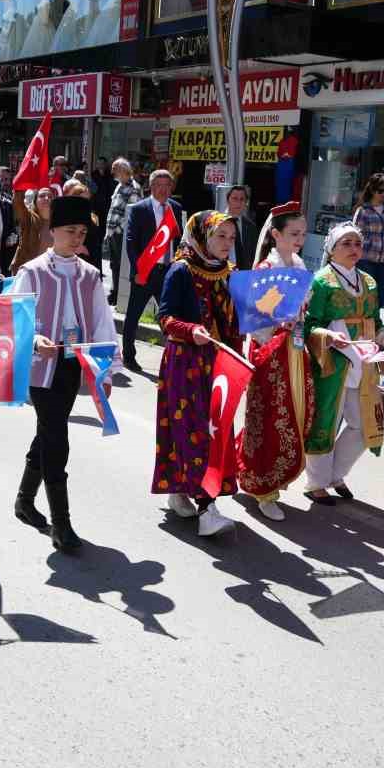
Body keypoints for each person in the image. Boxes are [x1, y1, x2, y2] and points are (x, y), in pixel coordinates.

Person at [11, 195, 119, 552]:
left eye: (82, 231)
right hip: (42, 367)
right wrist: (34, 337)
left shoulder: (90, 275)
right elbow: (15, 319)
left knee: (48, 431)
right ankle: (62, 524)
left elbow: (103, 324)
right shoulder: (32, 271)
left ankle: (25, 501)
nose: (76, 237)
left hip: (74, 364)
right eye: (70, 230)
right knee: (57, 438)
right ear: (52, 231)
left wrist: (107, 370)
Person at [301, 220, 384, 505]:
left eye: (357, 243)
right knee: (326, 421)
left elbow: (376, 322)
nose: (354, 248)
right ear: (332, 250)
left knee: (363, 422)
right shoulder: (321, 281)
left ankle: (335, 474)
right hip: (332, 361)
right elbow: (310, 325)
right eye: (346, 243)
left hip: (364, 360)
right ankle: (315, 483)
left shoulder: (369, 281)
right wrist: (329, 336)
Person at [154, 210, 241, 537]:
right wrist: (192, 330)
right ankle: (207, 509)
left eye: (231, 238)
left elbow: (238, 320)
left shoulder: (230, 273)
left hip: (220, 365)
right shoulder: (181, 270)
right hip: (187, 364)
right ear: (202, 235)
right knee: (195, 432)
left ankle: (181, 490)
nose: (227, 244)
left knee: (217, 433)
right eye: (220, 236)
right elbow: (164, 319)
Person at [237, 202, 317, 519]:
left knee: (295, 417)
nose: (299, 239)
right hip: (270, 351)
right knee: (270, 418)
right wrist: (279, 324)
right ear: (275, 234)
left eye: (303, 233)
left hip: (295, 350)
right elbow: (257, 321)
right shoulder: (265, 271)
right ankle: (263, 488)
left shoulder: (297, 266)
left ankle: (247, 467)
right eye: (294, 233)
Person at [121, 169, 183, 371]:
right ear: (151, 186)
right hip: (145, 271)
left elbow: (178, 240)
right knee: (133, 316)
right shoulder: (140, 208)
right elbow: (131, 242)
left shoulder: (175, 207)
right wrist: (138, 270)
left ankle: (174, 357)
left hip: (167, 272)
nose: (163, 189)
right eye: (159, 185)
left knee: (170, 316)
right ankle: (129, 356)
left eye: (167, 185)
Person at [353, 172, 384, 302]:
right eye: (380, 190)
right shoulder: (363, 211)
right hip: (366, 260)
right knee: (367, 297)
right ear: (372, 190)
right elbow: (357, 237)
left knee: (383, 297)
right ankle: (366, 322)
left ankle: (374, 321)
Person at [102, 159, 141, 304]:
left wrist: (118, 230)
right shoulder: (119, 186)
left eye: (115, 169)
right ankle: (114, 292)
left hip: (120, 233)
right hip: (113, 232)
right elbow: (113, 209)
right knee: (113, 264)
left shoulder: (134, 188)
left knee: (119, 264)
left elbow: (132, 214)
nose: (113, 172)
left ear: (124, 170)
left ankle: (118, 295)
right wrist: (109, 231)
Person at [226, 184, 257, 270]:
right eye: (235, 199)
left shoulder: (251, 227)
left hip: (243, 275)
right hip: (221, 273)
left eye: (242, 199)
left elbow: (253, 255)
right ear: (228, 200)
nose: (238, 203)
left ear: (246, 203)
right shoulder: (217, 222)